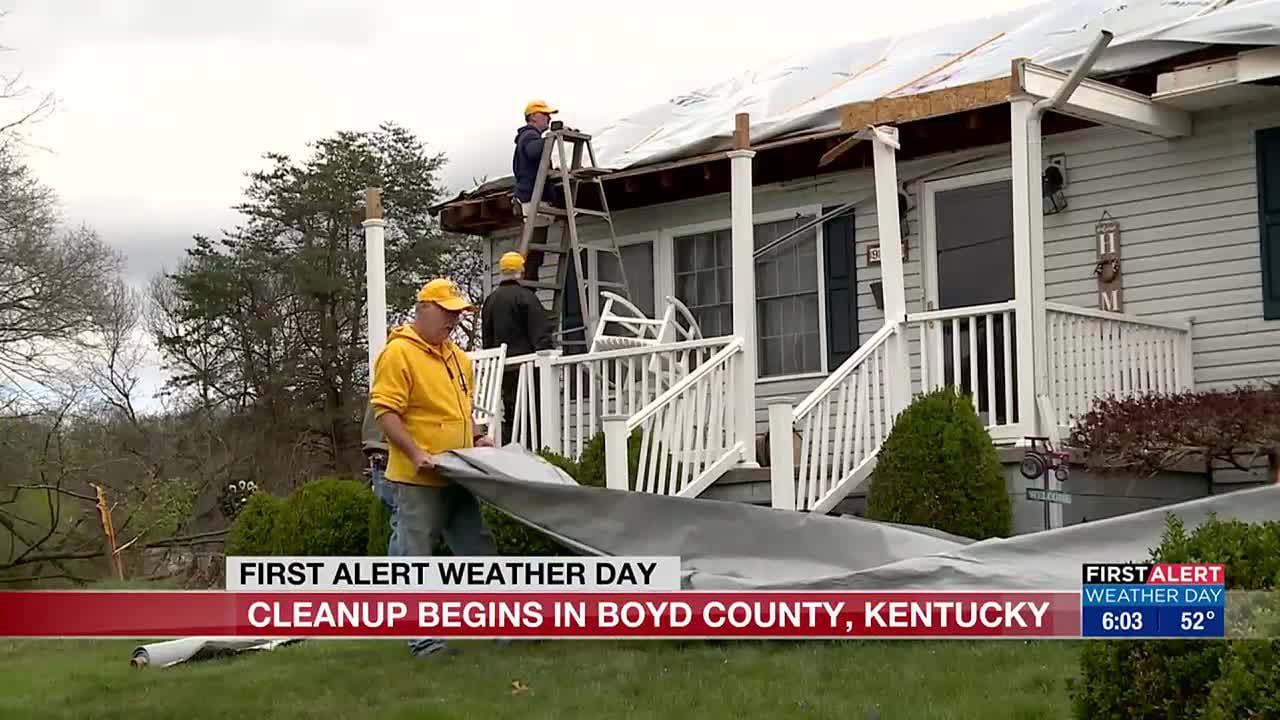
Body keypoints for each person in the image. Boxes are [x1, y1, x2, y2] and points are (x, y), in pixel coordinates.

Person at [369, 277, 497, 658]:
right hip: (418, 479)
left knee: (479, 550)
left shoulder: (457, 357)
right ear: (424, 309)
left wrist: (476, 438)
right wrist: (415, 453)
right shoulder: (399, 354)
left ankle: (508, 626)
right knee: (415, 557)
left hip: (457, 473)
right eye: (447, 312)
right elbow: (386, 413)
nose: (454, 321)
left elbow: (458, 413)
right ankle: (423, 640)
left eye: (458, 314)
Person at [481, 251, 554, 445]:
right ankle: (530, 450)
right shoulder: (526, 298)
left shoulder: (490, 301)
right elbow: (540, 333)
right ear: (520, 271)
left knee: (510, 412)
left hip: (502, 370)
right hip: (527, 368)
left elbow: (487, 339)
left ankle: (509, 448)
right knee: (532, 413)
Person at [512, 99, 563, 282]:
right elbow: (533, 151)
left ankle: (527, 285)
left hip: (533, 201)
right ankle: (526, 288)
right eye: (545, 115)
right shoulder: (529, 136)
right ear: (533, 117)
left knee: (534, 252)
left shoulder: (528, 136)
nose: (548, 119)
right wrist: (554, 137)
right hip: (534, 202)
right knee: (533, 253)